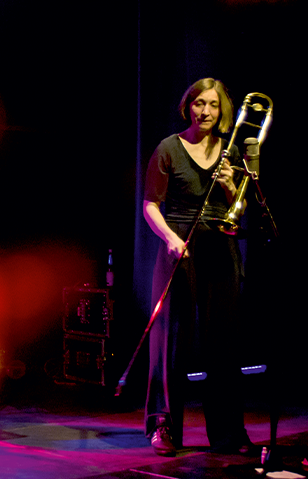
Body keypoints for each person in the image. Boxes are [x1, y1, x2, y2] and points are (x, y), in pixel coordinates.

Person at [143, 77, 253, 457]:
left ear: (222, 110)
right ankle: (163, 426)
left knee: (223, 342)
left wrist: (229, 185)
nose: (205, 111)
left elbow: (241, 209)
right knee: (170, 342)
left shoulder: (231, 151)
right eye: (198, 103)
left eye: (213, 105)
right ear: (187, 107)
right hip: (179, 248)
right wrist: (170, 238)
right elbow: (150, 205)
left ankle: (228, 432)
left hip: (221, 249)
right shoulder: (168, 148)